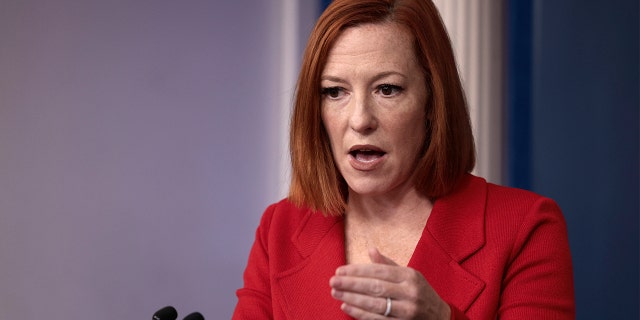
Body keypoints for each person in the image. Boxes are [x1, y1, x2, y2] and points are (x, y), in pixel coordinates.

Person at [232, 0, 575, 319]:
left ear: (431, 101)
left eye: (387, 89)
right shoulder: (279, 228)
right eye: (335, 91)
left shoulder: (527, 227)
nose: (360, 119)